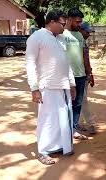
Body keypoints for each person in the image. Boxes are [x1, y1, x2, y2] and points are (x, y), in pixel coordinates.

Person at [26, 10, 76, 165]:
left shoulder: (61, 39)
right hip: (47, 86)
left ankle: (60, 146)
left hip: (63, 86)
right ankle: (43, 151)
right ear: (52, 22)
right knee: (47, 120)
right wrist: (34, 88)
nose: (64, 27)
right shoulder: (37, 37)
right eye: (62, 24)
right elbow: (30, 63)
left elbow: (66, 63)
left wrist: (72, 83)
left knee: (61, 118)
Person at [63, 8, 89, 139]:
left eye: (80, 22)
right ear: (69, 19)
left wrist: (89, 72)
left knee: (78, 103)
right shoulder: (61, 35)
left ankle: (74, 126)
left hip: (81, 75)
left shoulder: (79, 35)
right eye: (77, 22)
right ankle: (66, 129)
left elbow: (85, 55)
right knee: (67, 103)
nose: (79, 24)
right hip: (67, 76)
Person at [78, 22, 96, 134]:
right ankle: (90, 124)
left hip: (84, 75)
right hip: (79, 75)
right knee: (82, 99)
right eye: (87, 31)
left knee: (81, 99)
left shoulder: (83, 42)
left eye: (90, 32)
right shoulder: (77, 41)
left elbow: (87, 60)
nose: (89, 34)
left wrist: (90, 74)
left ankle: (79, 123)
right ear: (81, 30)